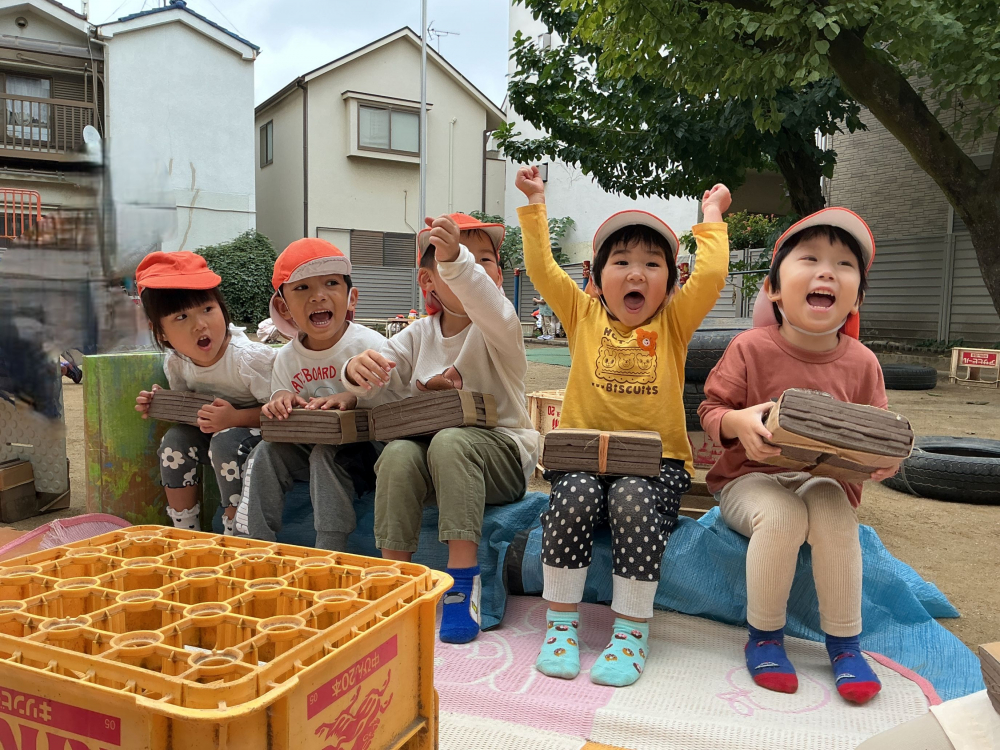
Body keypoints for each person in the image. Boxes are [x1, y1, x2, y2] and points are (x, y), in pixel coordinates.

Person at [515, 165, 731, 686]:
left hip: (656, 469)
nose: (636, 274)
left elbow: (711, 277)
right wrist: (535, 203)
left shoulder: (674, 323)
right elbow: (541, 268)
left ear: (671, 284)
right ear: (595, 279)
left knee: (631, 496)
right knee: (573, 497)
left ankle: (632, 630)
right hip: (583, 464)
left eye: (652, 264)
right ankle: (560, 625)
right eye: (622, 262)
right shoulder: (581, 315)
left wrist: (711, 217)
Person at [698, 208, 894, 705]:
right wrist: (738, 422)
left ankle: (845, 644)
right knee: (782, 516)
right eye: (809, 259)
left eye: (844, 264)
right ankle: (765, 637)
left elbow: (880, 431)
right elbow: (711, 410)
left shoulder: (863, 362)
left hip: (823, 481)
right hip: (749, 480)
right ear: (774, 289)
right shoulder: (749, 348)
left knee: (833, 512)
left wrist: (885, 458)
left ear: (857, 297)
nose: (827, 271)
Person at [344, 212, 538, 645]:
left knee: (451, 440)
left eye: (484, 260)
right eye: (458, 259)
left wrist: (455, 261)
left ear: (498, 276)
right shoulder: (417, 336)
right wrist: (354, 370)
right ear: (427, 281)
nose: (474, 268)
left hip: (501, 461)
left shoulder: (501, 328)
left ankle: (462, 582)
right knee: (397, 452)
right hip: (436, 465)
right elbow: (378, 382)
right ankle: (395, 580)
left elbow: (483, 299)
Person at [233, 238, 385, 550]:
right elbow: (279, 397)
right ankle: (254, 544)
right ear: (284, 307)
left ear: (352, 298)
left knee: (324, 454)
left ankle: (329, 548)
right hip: (308, 449)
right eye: (302, 288)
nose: (318, 296)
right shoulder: (287, 357)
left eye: (331, 283)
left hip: (368, 453)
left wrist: (354, 397)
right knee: (265, 452)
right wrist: (280, 403)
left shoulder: (370, 345)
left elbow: (394, 398)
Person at [133, 251, 276, 534]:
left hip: (263, 437)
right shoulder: (177, 361)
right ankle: (186, 530)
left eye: (207, 309)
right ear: (160, 332)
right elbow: (190, 411)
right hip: (217, 433)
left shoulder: (249, 359)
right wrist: (163, 402)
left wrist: (235, 418)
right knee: (174, 441)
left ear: (222, 308)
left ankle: (235, 530)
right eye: (182, 316)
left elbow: (285, 414)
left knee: (225, 440)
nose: (200, 324)